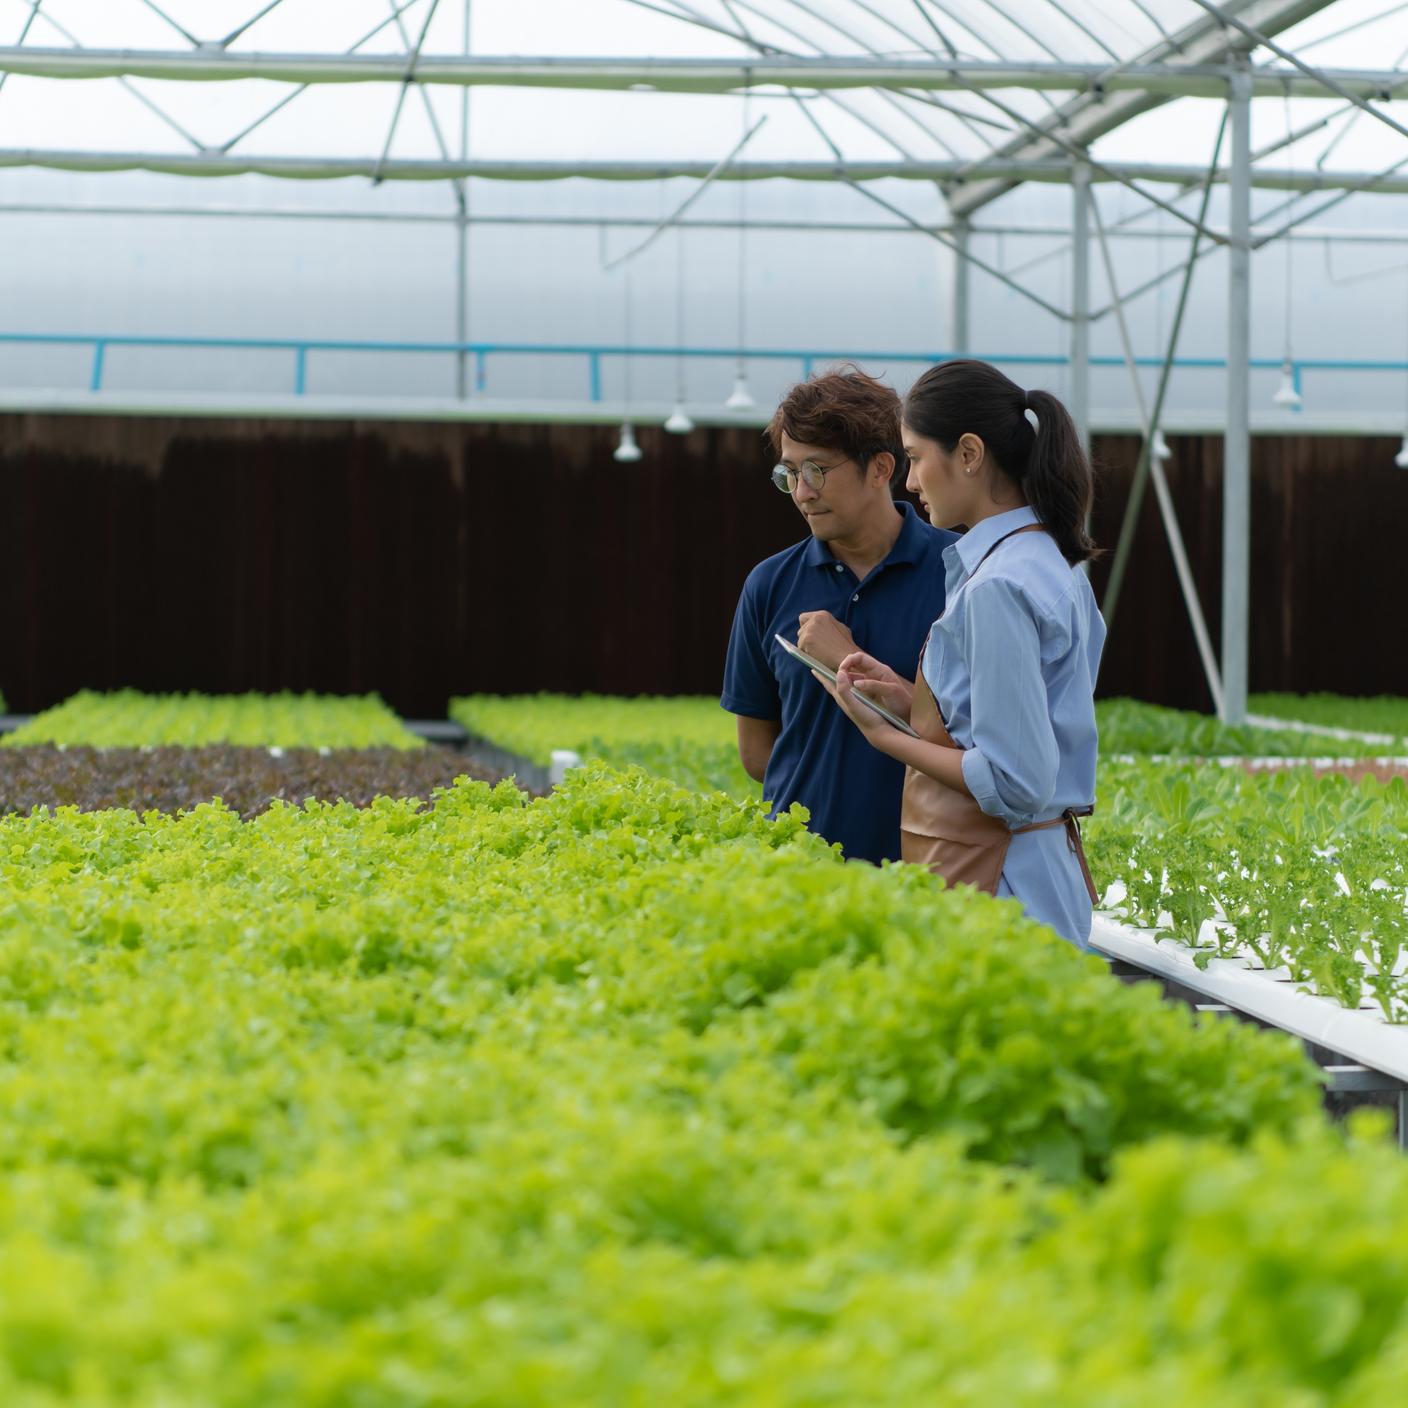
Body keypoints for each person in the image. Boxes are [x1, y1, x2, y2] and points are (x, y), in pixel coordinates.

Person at [814, 359, 1106, 947]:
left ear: (969, 455)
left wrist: (886, 736)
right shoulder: (1048, 560)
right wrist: (906, 697)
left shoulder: (998, 584)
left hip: (1005, 887)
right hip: (1032, 874)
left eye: (917, 457)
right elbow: (1008, 721)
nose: (910, 482)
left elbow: (1016, 780)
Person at [721, 367, 959, 864]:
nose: (802, 491)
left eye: (817, 470)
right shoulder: (768, 585)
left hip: (925, 869)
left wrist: (848, 660)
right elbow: (756, 753)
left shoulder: (963, 575)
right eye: (789, 472)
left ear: (880, 468)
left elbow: (982, 745)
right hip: (797, 869)